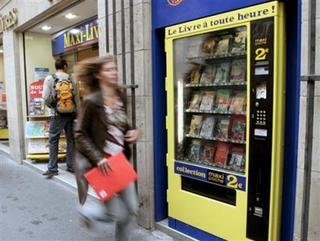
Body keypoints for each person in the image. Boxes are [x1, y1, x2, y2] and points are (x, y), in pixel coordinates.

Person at [73, 55, 140, 241]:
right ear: (98, 75)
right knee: (117, 214)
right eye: (109, 70)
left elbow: (124, 124)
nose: (114, 72)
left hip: (120, 163)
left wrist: (135, 132)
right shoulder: (92, 101)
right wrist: (98, 158)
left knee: (132, 209)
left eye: (115, 69)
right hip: (102, 165)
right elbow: (79, 133)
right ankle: (86, 211)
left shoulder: (120, 96)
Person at [42, 59, 79, 177]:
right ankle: (71, 165)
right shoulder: (72, 78)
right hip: (71, 113)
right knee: (71, 140)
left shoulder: (50, 78)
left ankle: (52, 168)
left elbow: (45, 97)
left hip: (57, 114)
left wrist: (54, 106)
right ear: (65, 66)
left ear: (56, 66)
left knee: (53, 140)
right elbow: (76, 96)